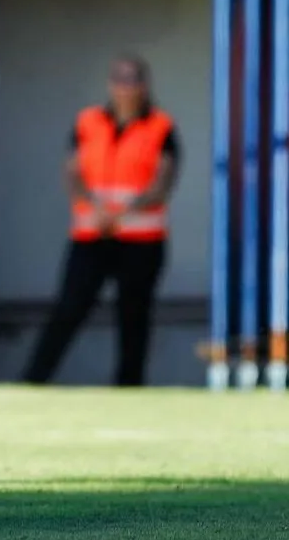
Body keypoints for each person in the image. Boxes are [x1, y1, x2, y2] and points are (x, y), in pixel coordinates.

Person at [22, 54, 180, 387]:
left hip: (141, 240)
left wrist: (123, 210)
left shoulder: (161, 127)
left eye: (132, 80)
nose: (125, 88)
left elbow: (163, 183)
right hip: (92, 235)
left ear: (144, 86)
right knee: (68, 309)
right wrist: (96, 207)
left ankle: (129, 389)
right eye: (119, 80)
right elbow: (72, 174)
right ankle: (33, 383)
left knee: (133, 317)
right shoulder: (88, 122)